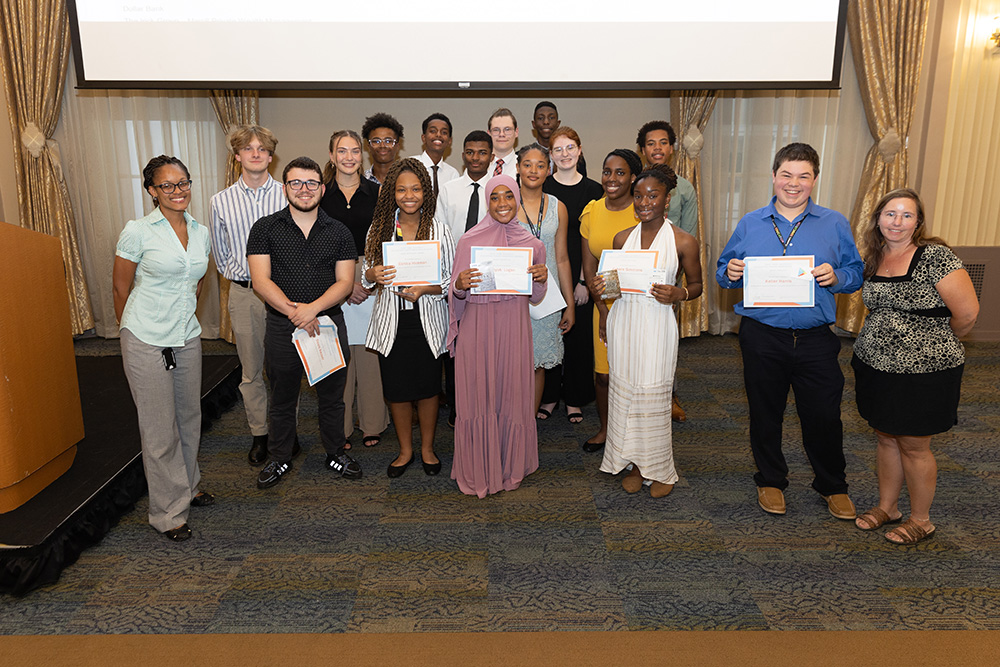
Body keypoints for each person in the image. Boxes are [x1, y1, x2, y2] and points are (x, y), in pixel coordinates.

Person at [716, 142, 863, 520]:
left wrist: (839, 276)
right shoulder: (751, 222)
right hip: (763, 335)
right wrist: (730, 272)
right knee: (766, 412)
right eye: (786, 175)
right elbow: (723, 268)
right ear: (773, 176)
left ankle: (833, 485)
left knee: (825, 416)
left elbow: (856, 272)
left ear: (814, 180)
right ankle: (770, 479)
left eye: (803, 176)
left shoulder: (834, 222)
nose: (793, 184)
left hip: (816, 338)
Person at [851, 188, 979, 544]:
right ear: (878, 218)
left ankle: (921, 520)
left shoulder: (935, 256)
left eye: (907, 215)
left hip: (927, 372)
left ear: (918, 222)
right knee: (885, 436)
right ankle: (887, 507)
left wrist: (930, 343)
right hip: (875, 364)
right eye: (891, 214)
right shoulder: (873, 257)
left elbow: (967, 315)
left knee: (914, 444)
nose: (898, 222)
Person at [112, 155, 213, 541]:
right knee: (159, 429)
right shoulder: (137, 231)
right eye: (167, 186)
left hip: (186, 335)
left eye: (183, 182)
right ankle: (168, 512)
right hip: (145, 336)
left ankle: (188, 485)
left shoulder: (200, 231)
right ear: (152, 191)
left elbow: (196, 285)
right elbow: (122, 288)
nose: (178, 191)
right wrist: (131, 331)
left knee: (189, 417)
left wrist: (180, 319)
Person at [247, 157, 361, 489]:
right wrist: (295, 312)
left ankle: (336, 452)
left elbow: (344, 282)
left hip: (327, 324)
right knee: (282, 396)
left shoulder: (339, 231)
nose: (304, 189)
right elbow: (261, 280)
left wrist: (312, 310)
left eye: (311, 183)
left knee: (332, 396)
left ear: (322, 189)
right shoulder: (265, 228)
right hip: (283, 327)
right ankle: (280, 457)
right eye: (296, 183)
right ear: (285, 188)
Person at [590, 165, 702, 497]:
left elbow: (696, 286)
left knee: (653, 392)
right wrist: (601, 287)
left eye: (652, 196)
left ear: (667, 199)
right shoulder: (622, 238)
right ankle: (635, 463)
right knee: (625, 391)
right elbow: (611, 289)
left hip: (657, 323)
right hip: (624, 320)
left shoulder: (684, 241)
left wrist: (679, 294)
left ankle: (660, 468)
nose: (644, 202)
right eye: (638, 196)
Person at [447, 175, 548, 498]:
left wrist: (541, 277)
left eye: (509, 196)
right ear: (487, 202)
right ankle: (479, 465)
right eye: (495, 197)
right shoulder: (469, 241)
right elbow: (456, 295)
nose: (502, 203)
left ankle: (509, 464)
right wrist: (460, 285)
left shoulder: (533, 245)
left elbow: (535, 296)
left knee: (510, 393)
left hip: (513, 331)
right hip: (477, 330)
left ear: (517, 199)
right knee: (479, 394)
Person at [363, 158, 455, 477]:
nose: (409, 195)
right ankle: (405, 451)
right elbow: (365, 277)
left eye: (415, 188)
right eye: (401, 189)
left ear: (425, 192)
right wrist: (371, 273)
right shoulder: (381, 228)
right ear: (392, 193)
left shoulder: (439, 228)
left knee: (429, 389)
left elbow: (450, 279)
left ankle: (427, 449)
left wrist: (423, 289)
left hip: (427, 321)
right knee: (398, 390)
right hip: (394, 322)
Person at [210, 125, 289, 466]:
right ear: (238, 155)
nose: (255, 153)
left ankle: (287, 432)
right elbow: (220, 251)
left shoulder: (289, 193)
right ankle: (260, 434)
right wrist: (242, 275)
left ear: (271, 157)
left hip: (286, 294)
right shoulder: (220, 201)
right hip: (244, 295)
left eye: (262, 149)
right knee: (252, 370)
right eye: (248, 148)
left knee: (285, 369)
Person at [319, 129, 389, 450]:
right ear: (332, 156)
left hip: (372, 273)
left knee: (369, 352)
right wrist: (346, 285)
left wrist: (367, 278)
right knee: (339, 353)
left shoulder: (377, 193)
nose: (349, 157)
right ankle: (341, 426)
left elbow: (387, 239)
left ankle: (373, 422)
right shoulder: (319, 194)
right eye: (342, 151)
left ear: (362, 155)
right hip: (330, 276)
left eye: (355, 151)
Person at [579, 149, 643, 453]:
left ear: (632, 177)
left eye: (620, 173)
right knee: (603, 375)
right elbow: (590, 267)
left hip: (639, 305)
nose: (612, 179)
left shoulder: (644, 209)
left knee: (633, 375)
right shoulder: (592, 211)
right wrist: (603, 310)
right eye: (607, 171)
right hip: (603, 304)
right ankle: (606, 430)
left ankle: (632, 435)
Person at [637, 120, 699, 422]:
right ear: (643, 149)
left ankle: (669, 395)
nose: (657, 148)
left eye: (663, 142)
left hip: (667, 279)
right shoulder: (635, 183)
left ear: (671, 148)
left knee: (664, 342)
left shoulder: (685, 188)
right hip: (633, 276)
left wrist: (679, 286)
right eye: (651, 143)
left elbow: (689, 235)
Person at [542, 126, 604, 422]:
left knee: (578, 340)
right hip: (548, 273)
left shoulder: (594, 190)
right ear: (550, 155)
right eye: (558, 150)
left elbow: (592, 239)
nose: (564, 154)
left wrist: (582, 282)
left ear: (579, 150)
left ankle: (576, 398)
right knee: (549, 335)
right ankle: (549, 396)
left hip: (582, 272)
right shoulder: (542, 187)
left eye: (570, 148)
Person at [436, 129, 494, 427]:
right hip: (456, 278)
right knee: (456, 344)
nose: (475, 158)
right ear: (463, 155)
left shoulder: (498, 191)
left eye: (482, 152)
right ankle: (459, 408)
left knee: (484, 347)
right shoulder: (449, 189)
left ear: (491, 156)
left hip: (489, 280)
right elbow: (442, 234)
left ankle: (484, 405)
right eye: (470, 152)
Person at [515, 143, 574, 416]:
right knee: (513, 362)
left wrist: (569, 305)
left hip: (547, 297)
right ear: (517, 168)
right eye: (527, 164)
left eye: (540, 165)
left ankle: (527, 425)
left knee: (538, 362)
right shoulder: (505, 203)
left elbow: (561, 258)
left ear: (548, 170)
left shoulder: (558, 207)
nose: (533, 170)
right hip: (512, 295)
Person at [533, 102, 587, 177]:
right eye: (540, 118)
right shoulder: (524, 155)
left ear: (558, 123)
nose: (546, 122)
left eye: (551, 118)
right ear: (534, 124)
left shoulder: (573, 156)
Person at [411, 113, 459, 196]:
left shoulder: (453, 174)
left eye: (444, 132)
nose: (438, 135)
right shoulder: (410, 165)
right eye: (433, 131)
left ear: (449, 141)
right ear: (423, 138)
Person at [362, 112, 404, 185]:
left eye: (388, 141)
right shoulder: (360, 180)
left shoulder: (407, 178)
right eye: (376, 141)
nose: (382, 146)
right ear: (368, 147)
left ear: (397, 146)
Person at [487, 108, 519, 179]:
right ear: (489, 134)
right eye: (496, 130)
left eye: (507, 129)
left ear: (516, 132)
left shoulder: (523, 167)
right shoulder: (478, 166)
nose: (501, 134)